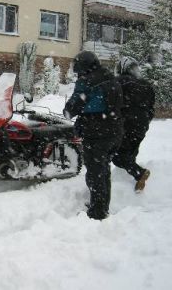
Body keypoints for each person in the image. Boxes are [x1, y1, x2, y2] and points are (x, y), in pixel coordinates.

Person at [63, 51, 123, 220]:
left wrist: (68, 111)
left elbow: (73, 106)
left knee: (95, 173)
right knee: (104, 171)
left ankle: (97, 213)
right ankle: (102, 206)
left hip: (96, 134)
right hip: (115, 131)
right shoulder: (110, 78)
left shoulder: (87, 82)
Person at [112, 56, 155, 192]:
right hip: (141, 127)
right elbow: (151, 109)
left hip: (124, 125)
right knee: (130, 154)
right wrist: (144, 122)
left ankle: (139, 173)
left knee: (117, 157)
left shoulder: (117, 82)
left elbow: (112, 105)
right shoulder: (146, 85)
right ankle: (129, 190)